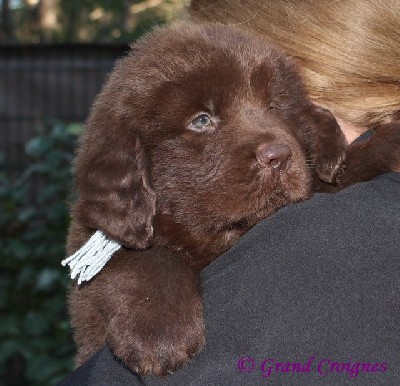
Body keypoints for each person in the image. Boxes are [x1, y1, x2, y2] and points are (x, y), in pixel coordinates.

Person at [60, 1, 400, 384]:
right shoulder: (126, 224)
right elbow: (111, 244)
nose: (272, 144)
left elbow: (330, 181)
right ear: (132, 164)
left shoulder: (337, 225)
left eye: (272, 106)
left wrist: (374, 153)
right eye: (202, 120)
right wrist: (148, 271)